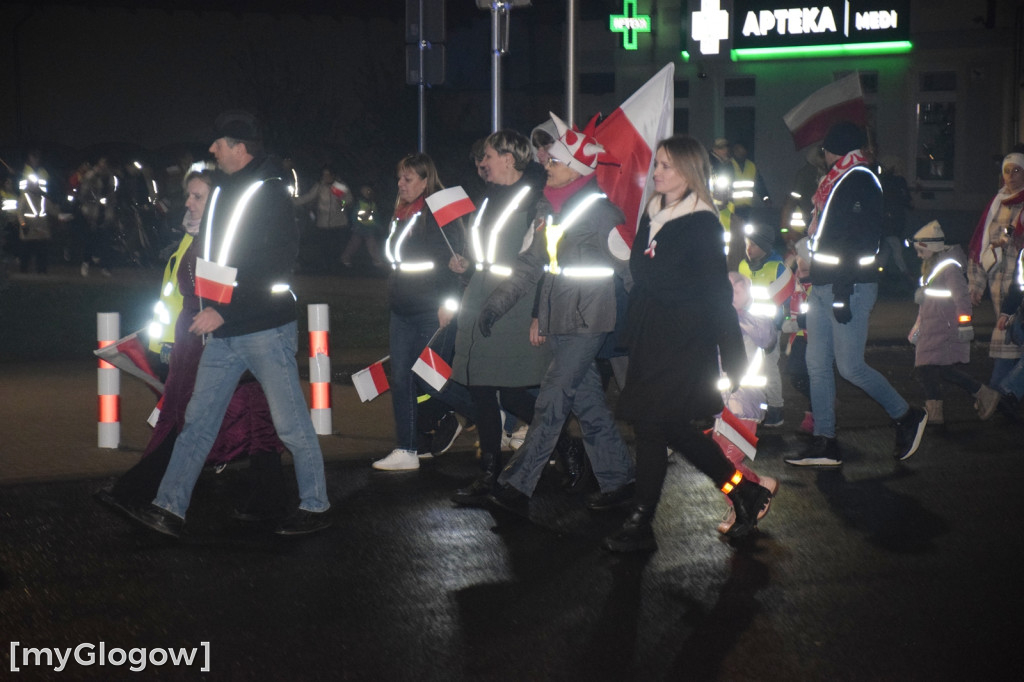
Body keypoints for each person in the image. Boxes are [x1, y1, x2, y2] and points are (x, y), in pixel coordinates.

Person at [125, 110, 331, 538]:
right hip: (223, 332)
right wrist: (211, 308)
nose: (212, 149)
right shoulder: (223, 192)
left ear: (240, 147)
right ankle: (168, 508)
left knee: (291, 424)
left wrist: (226, 310)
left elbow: (275, 267)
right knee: (198, 423)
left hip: (264, 330)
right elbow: (217, 259)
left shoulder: (270, 194)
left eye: (219, 142)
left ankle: (316, 506)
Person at [604, 135, 776, 553]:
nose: (657, 172)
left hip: (684, 341)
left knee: (652, 426)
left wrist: (732, 356)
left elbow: (715, 292)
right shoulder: (653, 212)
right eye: (657, 164)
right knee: (668, 429)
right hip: (651, 336)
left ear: (688, 172)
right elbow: (641, 272)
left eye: (666, 165)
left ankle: (642, 522)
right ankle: (743, 492)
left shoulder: (701, 223)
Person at [95, 170, 287, 519]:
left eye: (197, 196)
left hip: (209, 338)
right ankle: (264, 495)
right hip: (189, 337)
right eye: (190, 195)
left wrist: (208, 332)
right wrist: (168, 339)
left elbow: (222, 297)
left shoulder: (221, 242)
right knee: (206, 415)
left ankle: (149, 490)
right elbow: (177, 292)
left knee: (232, 415)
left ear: (215, 201)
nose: (188, 201)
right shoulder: (194, 236)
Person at [478, 113, 634, 516]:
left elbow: (632, 273)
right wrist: (496, 304)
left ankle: (517, 483)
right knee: (590, 407)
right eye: (547, 160)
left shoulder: (603, 215)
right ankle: (620, 479)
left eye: (555, 161)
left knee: (551, 401)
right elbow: (530, 265)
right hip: (558, 320)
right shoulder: (549, 210)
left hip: (588, 323)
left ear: (578, 169)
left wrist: (653, 327)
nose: (545, 164)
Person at [785, 121, 928, 468]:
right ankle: (825, 440)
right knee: (816, 363)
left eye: (825, 149)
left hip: (847, 286)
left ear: (835, 149)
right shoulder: (836, 180)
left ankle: (907, 415)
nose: (823, 155)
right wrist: (809, 264)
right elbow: (830, 238)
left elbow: (858, 243)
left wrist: (843, 292)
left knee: (849, 367)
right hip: (824, 284)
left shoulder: (859, 180)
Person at [448, 129, 550, 502]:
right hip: (480, 295)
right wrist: (465, 266)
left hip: (512, 304)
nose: (482, 163)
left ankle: (559, 442)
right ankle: (490, 474)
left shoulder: (536, 202)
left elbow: (536, 264)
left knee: (504, 389)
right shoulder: (488, 199)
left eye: (488, 155)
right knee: (482, 388)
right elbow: (485, 252)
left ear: (510, 158)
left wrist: (530, 312)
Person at [370, 153, 477, 471]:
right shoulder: (401, 214)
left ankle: (482, 410)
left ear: (425, 181)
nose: (401, 184)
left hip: (431, 310)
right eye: (399, 178)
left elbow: (453, 267)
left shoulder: (439, 215)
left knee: (429, 378)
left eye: (408, 179)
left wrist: (447, 303)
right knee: (401, 380)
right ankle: (407, 449)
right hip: (402, 309)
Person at [906, 220, 1001, 425]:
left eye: (920, 250)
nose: (918, 254)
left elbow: (961, 298)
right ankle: (978, 395)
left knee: (928, 368)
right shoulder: (933, 269)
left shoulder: (949, 270)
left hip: (943, 328)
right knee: (937, 369)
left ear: (931, 248)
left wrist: (965, 323)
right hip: (933, 327)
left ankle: (940, 410)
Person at [713, 272, 779, 534]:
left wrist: (732, 311)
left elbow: (767, 335)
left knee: (726, 463)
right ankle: (752, 489)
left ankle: (746, 500)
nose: (732, 291)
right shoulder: (718, 319)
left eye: (738, 287)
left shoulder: (752, 320)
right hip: (722, 403)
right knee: (721, 461)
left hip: (744, 403)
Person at [966, 150, 1024, 389]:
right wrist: (976, 283)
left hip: (1018, 280)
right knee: (1008, 336)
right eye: (1007, 171)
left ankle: (1000, 391)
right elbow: (981, 243)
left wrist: (1013, 238)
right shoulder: (996, 202)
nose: (1011, 176)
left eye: (1017, 170)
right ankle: (1002, 392)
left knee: (1011, 335)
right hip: (999, 281)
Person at [737, 221, 793, 428]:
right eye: (746, 244)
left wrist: (780, 323)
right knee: (750, 371)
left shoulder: (778, 269)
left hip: (769, 330)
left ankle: (776, 409)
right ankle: (755, 407)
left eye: (754, 245)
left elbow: (786, 302)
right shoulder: (743, 265)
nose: (748, 249)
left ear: (766, 246)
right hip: (746, 328)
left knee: (769, 369)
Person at [781, 237, 814, 435]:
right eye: (799, 270)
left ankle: (815, 413)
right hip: (799, 338)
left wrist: (794, 323)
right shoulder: (797, 284)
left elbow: (817, 316)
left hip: (812, 338)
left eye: (805, 271)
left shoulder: (816, 289)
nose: (800, 274)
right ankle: (819, 407)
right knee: (798, 377)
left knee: (805, 377)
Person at [294, 165, 350, 273]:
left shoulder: (338, 186)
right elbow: (308, 197)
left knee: (336, 246)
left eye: (328, 174)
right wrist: (292, 202)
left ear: (333, 175)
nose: (326, 177)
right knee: (324, 245)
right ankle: (325, 266)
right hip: (323, 222)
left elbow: (348, 200)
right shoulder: (320, 186)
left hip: (338, 222)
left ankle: (335, 266)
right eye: (324, 174)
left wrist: (342, 202)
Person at [340, 185, 385, 268]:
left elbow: (376, 216)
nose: (367, 193)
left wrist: (379, 226)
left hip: (369, 228)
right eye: (365, 191)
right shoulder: (358, 203)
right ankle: (345, 259)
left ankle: (377, 261)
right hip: (359, 227)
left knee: (372, 245)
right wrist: (355, 225)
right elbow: (354, 215)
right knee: (353, 245)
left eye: (368, 191)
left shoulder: (373, 204)